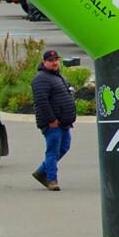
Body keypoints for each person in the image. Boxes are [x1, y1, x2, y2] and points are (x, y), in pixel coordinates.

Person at [30, 49, 76, 191]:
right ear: (44, 62)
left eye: (56, 60)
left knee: (64, 147)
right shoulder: (41, 79)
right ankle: (51, 180)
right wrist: (51, 120)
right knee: (52, 151)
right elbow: (41, 102)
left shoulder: (57, 76)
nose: (55, 62)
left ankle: (41, 171)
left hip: (64, 123)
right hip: (52, 124)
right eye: (51, 60)